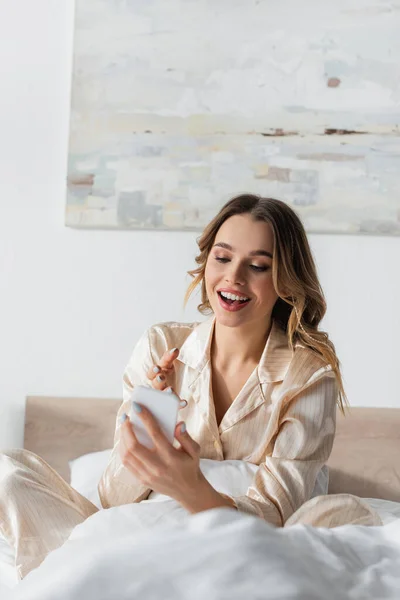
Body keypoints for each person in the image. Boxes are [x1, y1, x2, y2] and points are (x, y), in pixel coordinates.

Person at [0, 195, 380, 580]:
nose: (234, 277)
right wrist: (155, 416)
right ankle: (69, 574)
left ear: (285, 280)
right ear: (206, 263)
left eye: (259, 265)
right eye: (222, 257)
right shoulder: (160, 345)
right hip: (132, 531)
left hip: (241, 549)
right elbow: (112, 500)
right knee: (7, 471)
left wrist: (190, 486)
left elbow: (275, 518)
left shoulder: (309, 376)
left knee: (345, 518)